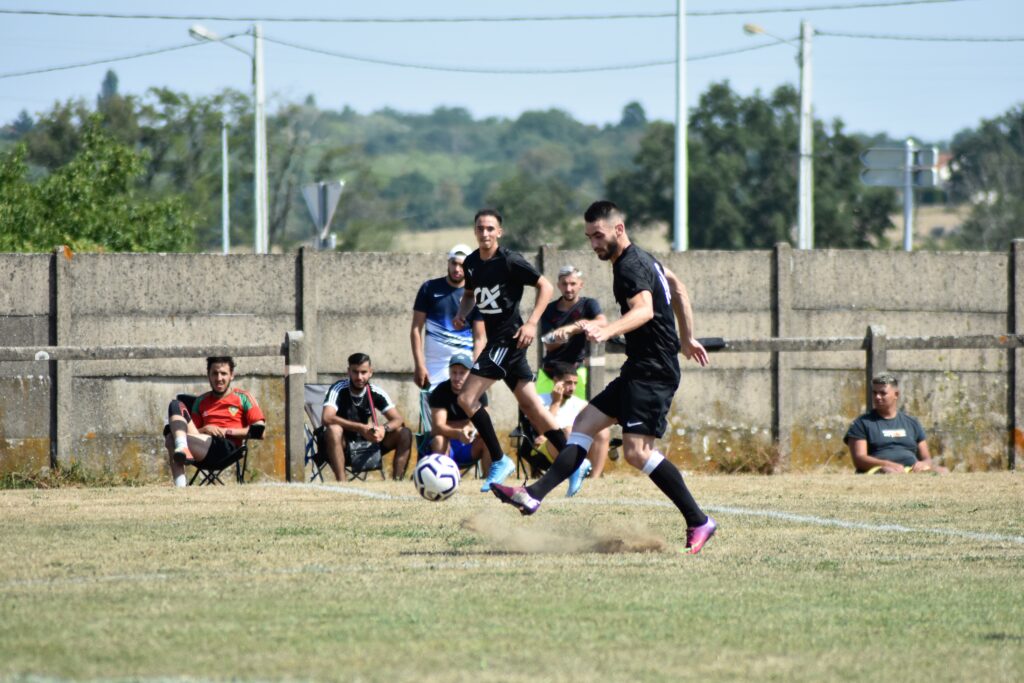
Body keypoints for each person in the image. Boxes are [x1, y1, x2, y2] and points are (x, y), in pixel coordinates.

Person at [492, 200, 718, 555]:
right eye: (589, 237)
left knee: (636, 452)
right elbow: (678, 289)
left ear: (618, 229)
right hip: (639, 367)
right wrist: (686, 337)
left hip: (653, 372)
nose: (594, 244)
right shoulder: (645, 259)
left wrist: (609, 330)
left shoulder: (629, 267)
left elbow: (643, 310)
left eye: (598, 235)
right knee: (582, 424)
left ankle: (699, 519)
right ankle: (533, 495)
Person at [452, 208, 571, 492]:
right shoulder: (470, 263)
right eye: (480, 228)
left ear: (499, 232)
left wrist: (531, 323)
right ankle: (574, 461)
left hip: (507, 339)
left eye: (490, 229)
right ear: (474, 231)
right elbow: (470, 295)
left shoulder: (510, 261)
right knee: (532, 407)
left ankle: (499, 459)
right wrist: (461, 313)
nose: (485, 234)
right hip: (505, 342)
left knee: (467, 399)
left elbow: (545, 286)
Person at [165, 356, 265, 488]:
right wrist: (206, 429)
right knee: (175, 406)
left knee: (172, 437)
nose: (219, 378)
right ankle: (181, 487)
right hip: (202, 445)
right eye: (214, 373)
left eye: (223, 373)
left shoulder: (243, 397)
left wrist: (226, 431)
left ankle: (181, 455)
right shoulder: (200, 401)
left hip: (226, 449)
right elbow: (193, 431)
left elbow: (260, 431)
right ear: (208, 375)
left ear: (231, 376)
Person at [321, 352, 413, 482]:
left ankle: (397, 482)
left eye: (363, 372)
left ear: (371, 372)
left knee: (404, 433)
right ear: (349, 372)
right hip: (343, 445)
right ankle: (342, 484)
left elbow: (398, 419)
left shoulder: (375, 392)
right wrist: (360, 428)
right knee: (334, 429)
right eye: (355, 372)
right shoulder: (338, 389)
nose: (359, 377)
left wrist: (383, 429)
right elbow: (326, 417)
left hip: (366, 446)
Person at [410, 244, 486, 390]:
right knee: (432, 411)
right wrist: (419, 365)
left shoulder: (476, 294)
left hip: (463, 367)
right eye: (454, 263)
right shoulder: (429, 288)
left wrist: (476, 370)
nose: (457, 269)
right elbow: (416, 329)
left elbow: (480, 338)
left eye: (462, 265)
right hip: (434, 367)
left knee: (468, 411)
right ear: (448, 263)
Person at [535, 360, 613, 497]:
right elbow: (542, 431)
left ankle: (594, 478)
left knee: (603, 432)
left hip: (579, 447)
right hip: (549, 446)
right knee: (568, 431)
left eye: (575, 383)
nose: (572, 387)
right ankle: (576, 471)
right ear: (556, 381)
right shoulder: (540, 400)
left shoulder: (580, 403)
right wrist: (556, 402)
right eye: (568, 383)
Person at [845, 373, 949, 474]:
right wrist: (887, 465)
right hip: (882, 470)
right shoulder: (861, 423)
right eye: (874, 393)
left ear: (896, 394)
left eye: (882, 393)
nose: (877, 397)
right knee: (890, 472)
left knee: (943, 471)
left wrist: (922, 464)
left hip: (910, 470)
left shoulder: (912, 423)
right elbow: (859, 460)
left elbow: (927, 459)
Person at [537, 264, 606, 400]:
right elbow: (548, 343)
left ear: (581, 284)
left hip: (577, 372)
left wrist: (572, 329)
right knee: (540, 417)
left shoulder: (588, 305)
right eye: (564, 284)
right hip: (550, 372)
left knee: (579, 418)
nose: (569, 289)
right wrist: (562, 337)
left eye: (573, 284)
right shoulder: (549, 309)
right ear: (558, 285)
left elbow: (602, 322)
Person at [426, 352, 491, 472]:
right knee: (439, 439)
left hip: (471, 446)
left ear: (470, 374)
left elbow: (485, 424)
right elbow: (437, 428)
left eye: (462, 373)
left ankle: (489, 483)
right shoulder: (440, 392)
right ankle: (441, 479)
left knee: (489, 439)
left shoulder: (479, 392)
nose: (457, 378)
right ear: (449, 372)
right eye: (454, 372)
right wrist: (460, 432)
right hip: (447, 445)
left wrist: (469, 428)